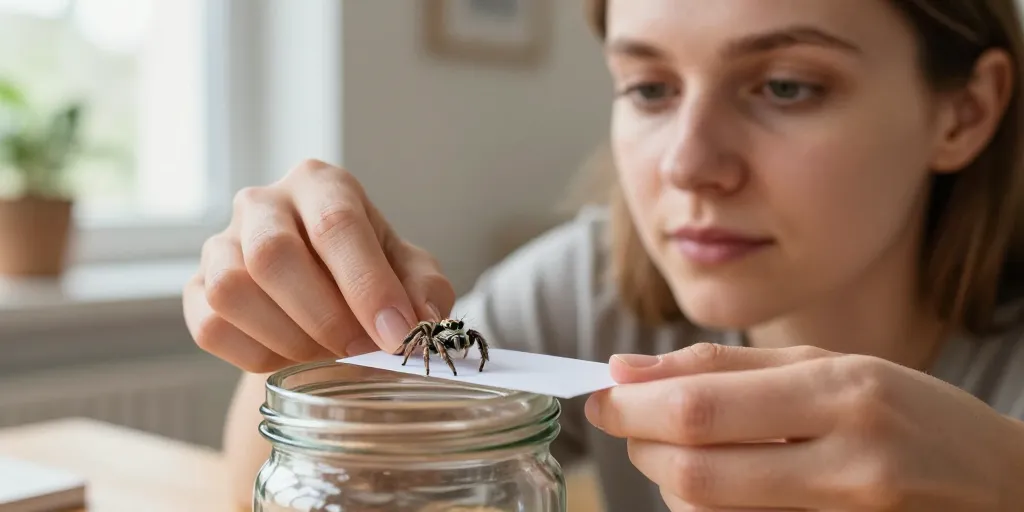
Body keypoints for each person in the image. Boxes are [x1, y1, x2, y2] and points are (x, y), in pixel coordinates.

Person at [183, 0, 1024, 509]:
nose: (688, 165)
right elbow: (318, 477)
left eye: (787, 86)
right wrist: (305, 322)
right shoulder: (586, 290)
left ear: (964, 112)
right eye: (650, 89)